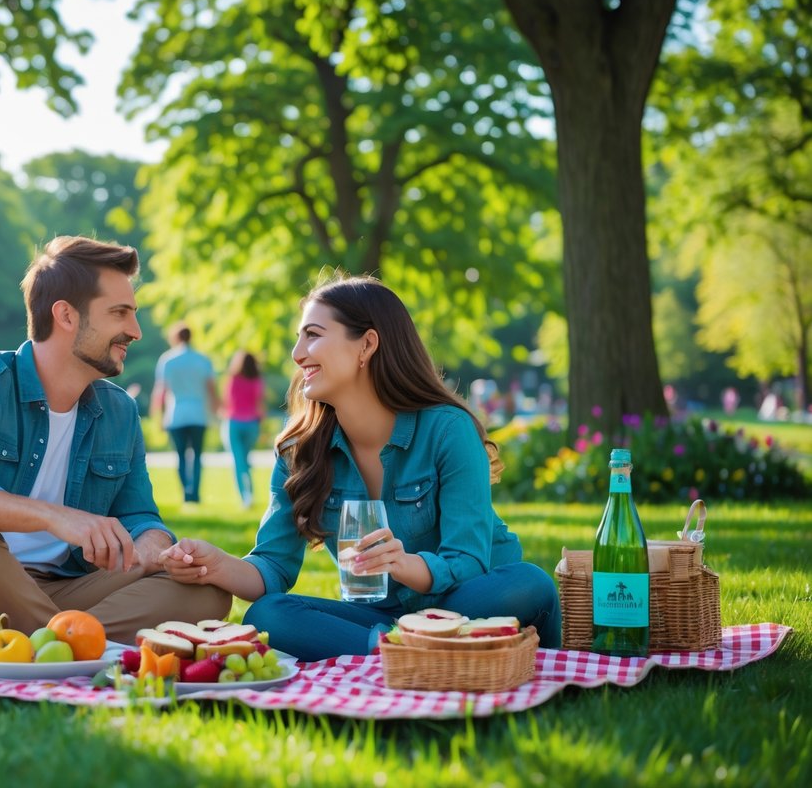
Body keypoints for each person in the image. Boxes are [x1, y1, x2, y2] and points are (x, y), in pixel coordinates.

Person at [157, 276, 560, 661]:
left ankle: (406, 650)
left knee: (530, 583)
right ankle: (398, 652)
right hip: (381, 622)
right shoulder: (300, 449)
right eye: (300, 337)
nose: (297, 354)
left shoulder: (445, 430)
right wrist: (217, 564)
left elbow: (468, 562)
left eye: (312, 335)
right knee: (267, 615)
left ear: (366, 345)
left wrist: (403, 564)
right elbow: (274, 567)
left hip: (465, 606)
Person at [0, 236, 231, 647]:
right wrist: (55, 517)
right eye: (120, 313)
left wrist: (152, 550)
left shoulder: (119, 412)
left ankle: (6, 647)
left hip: (62, 589)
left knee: (206, 589)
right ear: (66, 315)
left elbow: (140, 513)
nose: (136, 331)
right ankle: (70, 647)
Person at [151, 323, 218, 505]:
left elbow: (161, 391)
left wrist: (158, 415)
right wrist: (215, 411)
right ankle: (195, 493)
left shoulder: (167, 360)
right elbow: (211, 389)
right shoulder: (203, 360)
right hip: (198, 413)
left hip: (176, 413)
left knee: (180, 456)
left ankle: (186, 493)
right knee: (197, 456)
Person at [220, 350, 265, 508]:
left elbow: (228, 401)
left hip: (234, 423)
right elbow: (260, 402)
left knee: (238, 461)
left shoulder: (233, 379)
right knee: (245, 460)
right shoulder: (257, 380)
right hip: (252, 423)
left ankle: (245, 497)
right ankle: (249, 493)